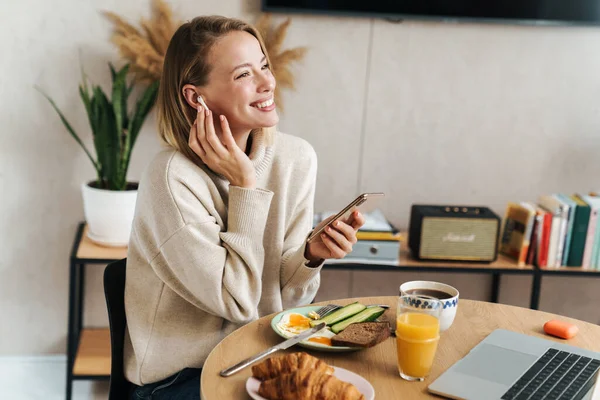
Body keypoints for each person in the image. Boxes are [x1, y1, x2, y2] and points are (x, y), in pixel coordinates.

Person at [123, 15, 365, 400]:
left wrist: (309, 256)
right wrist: (244, 185)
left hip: (263, 354)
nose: (268, 82)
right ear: (194, 97)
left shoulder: (295, 158)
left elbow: (284, 308)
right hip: (180, 378)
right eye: (243, 75)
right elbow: (238, 303)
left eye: (264, 66)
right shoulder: (170, 179)